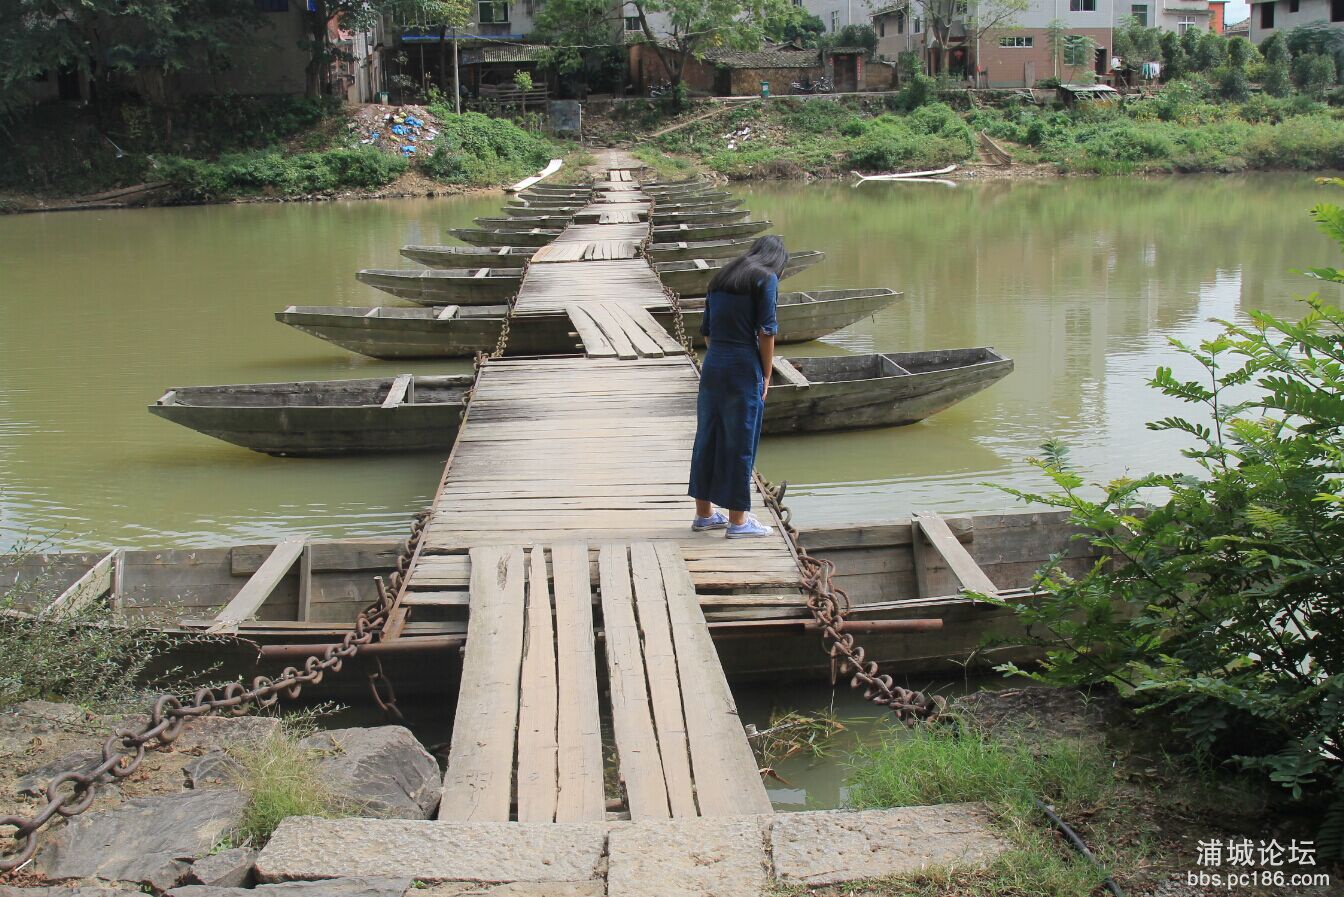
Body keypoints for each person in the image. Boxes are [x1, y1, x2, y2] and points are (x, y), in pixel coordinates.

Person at [688, 235, 787, 539]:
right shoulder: (765, 279)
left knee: (708, 437)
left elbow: (707, 333)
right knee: (740, 441)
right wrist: (766, 373)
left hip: (714, 364)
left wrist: (721, 354)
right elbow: (766, 332)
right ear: (777, 260)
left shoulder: (721, 278)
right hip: (743, 366)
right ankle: (738, 522)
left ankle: (704, 516)